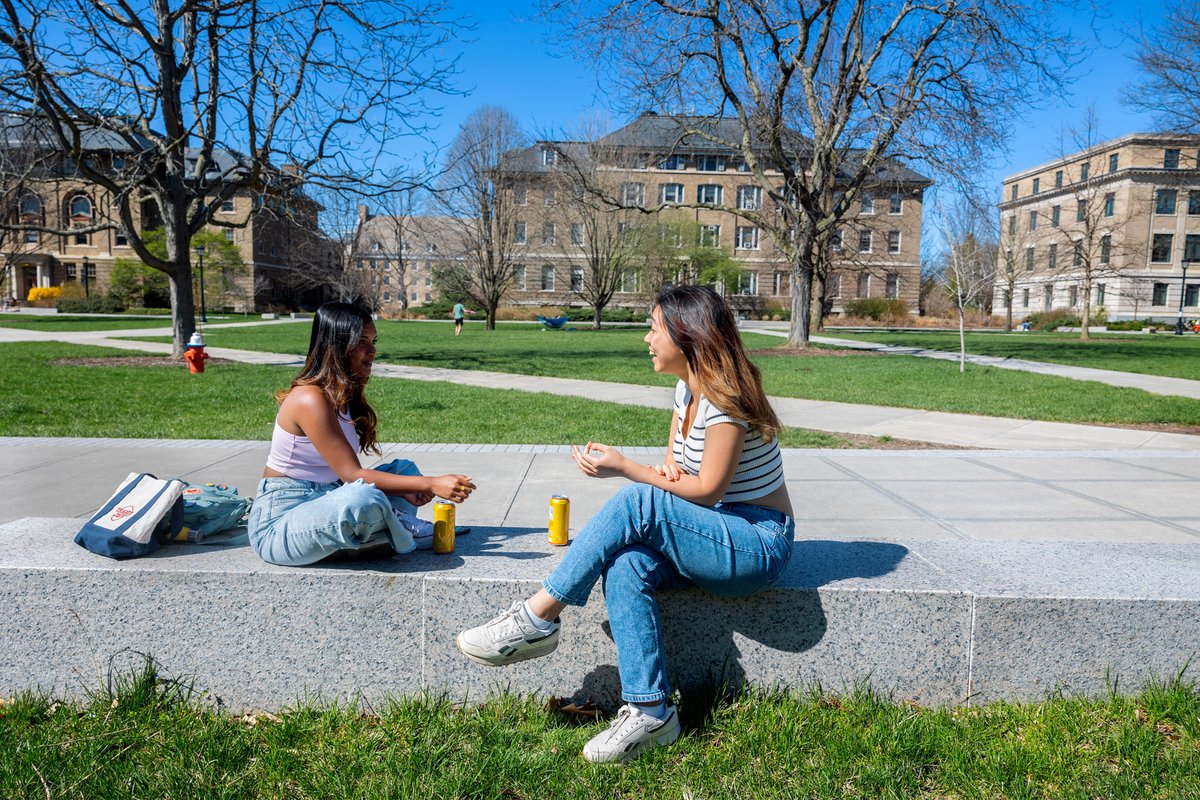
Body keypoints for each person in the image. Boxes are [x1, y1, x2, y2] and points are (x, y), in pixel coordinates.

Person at [456, 285, 794, 763]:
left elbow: (708, 489)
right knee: (627, 562)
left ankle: (537, 618)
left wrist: (626, 468)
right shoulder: (685, 390)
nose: (647, 339)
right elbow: (675, 473)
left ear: (687, 335)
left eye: (654, 328)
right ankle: (651, 711)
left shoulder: (726, 398)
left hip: (756, 542)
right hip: (710, 530)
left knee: (637, 498)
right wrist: (655, 473)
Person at [248, 302, 477, 566]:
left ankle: (383, 526)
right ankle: (391, 526)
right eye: (362, 342)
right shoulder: (310, 399)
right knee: (364, 499)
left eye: (374, 341)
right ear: (337, 346)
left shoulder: (341, 396)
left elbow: (345, 481)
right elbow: (352, 476)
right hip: (280, 525)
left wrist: (410, 486)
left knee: (405, 470)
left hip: (328, 499)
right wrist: (430, 483)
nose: (372, 351)